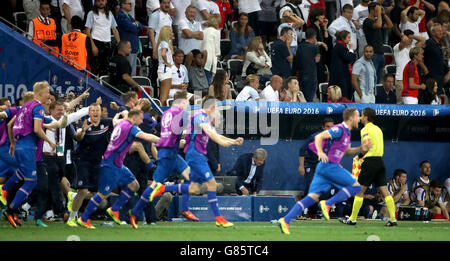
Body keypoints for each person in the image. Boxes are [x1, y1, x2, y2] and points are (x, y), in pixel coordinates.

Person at [278, 108, 371, 234]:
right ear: (351, 118)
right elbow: (320, 136)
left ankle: (285, 220)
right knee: (356, 187)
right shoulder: (339, 129)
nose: (359, 118)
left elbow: (347, 152)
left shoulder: (347, 133)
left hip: (323, 169)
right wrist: (320, 152)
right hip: (330, 166)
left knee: (312, 197)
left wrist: (361, 148)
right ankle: (327, 203)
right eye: (357, 116)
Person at [77, 109, 160, 229]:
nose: (142, 121)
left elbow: (117, 119)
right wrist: (164, 140)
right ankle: (83, 219)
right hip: (111, 164)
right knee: (102, 194)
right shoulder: (131, 127)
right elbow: (146, 136)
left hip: (118, 164)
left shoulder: (120, 123)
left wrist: (122, 112)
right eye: (141, 118)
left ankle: (114, 209)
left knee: (134, 185)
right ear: (135, 117)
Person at [130, 91, 199, 228]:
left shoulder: (167, 113)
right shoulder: (181, 114)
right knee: (156, 186)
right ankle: (136, 211)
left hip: (170, 153)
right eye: (186, 102)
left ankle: (184, 208)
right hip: (168, 155)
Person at [1, 81, 57, 228]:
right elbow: (37, 130)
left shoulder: (25, 107)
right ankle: (10, 209)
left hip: (19, 146)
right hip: (28, 148)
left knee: (22, 173)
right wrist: (49, 142)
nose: (49, 95)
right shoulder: (37, 108)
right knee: (31, 182)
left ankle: (5, 189)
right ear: (40, 94)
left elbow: (10, 124)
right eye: (47, 92)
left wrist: (13, 143)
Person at [183, 96, 244, 227]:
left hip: (197, 154)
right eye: (216, 107)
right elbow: (211, 134)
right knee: (212, 184)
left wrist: (233, 141)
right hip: (196, 155)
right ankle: (218, 218)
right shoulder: (200, 117)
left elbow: (215, 133)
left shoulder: (205, 118)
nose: (216, 111)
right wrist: (223, 143)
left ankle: (163, 188)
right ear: (211, 107)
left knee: (194, 189)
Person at [340, 107, 398, 226]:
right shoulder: (378, 129)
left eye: (361, 115)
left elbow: (367, 146)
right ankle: (393, 219)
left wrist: (359, 156)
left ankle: (352, 219)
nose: (360, 117)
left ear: (366, 117)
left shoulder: (365, 129)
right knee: (385, 193)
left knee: (359, 192)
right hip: (380, 163)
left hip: (370, 163)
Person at [65, 102, 114, 227]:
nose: (95, 112)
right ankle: (72, 218)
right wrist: (83, 131)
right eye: (92, 111)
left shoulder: (107, 123)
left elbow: (121, 120)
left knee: (98, 193)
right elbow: (78, 138)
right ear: (89, 113)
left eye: (97, 110)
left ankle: (75, 198)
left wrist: (122, 111)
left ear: (101, 112)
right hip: (82, 161)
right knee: (83, 191)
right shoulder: (84, 124)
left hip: (97, 162)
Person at [298, 118, 334, 217]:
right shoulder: (315, 137)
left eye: (331, 127)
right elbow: (302, 150)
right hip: (311, 165)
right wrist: (301, 166)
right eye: (327, 126)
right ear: (323, 127)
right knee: (310, 185)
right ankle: (304, 209)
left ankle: (319, 211)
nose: (329, 129)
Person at [363, 2, 393, 84]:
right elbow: (378, 25)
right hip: (373, 54)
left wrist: (384, 14)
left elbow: (390, 25)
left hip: (381, 54)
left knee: (379, 80)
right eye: (377, 10)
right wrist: (379, 13)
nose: (378, 11)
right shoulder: (367, 21)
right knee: (372, 79)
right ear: (372, 10)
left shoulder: (377, 20)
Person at [393, 29, 426, 104]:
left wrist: (412, 36)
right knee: (400, 104)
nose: (411, 40)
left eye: (412, 39)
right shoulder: (398, 47)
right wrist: (402, 35)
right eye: (409, 38)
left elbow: (423, 40)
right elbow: (404, 41)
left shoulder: (412, 48)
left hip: (411, 80)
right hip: (401, 79)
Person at [292, 28, 321, 102]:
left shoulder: (300, 46)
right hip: (311, 76)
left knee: (301, 97)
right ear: (314, 37)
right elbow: (317, 60)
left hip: (301, 75)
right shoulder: (315, 47)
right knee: (309, 99)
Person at [116, 0, 143, 76]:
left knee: (133, 71)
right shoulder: (121, 15)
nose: (131, 5)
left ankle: (132, 86)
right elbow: (131, 27)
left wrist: (136, 25)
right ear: (122, 4)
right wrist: (135, 25)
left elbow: (140, 26)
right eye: (129, 4)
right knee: (129, 71)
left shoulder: (129, 16)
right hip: (127, 46)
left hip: (133, 46)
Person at [329, 30, 357, 101]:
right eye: (348, 37)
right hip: (340, 77)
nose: (350, 39)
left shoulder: (340, 46)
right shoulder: (340, 46)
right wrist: (351, 49)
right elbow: (349, 59)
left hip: (341, 75)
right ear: (343, 38)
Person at [423, 23, 447, 95]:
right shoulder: (429, 43)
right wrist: (424, 68)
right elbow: (419, 55)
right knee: (431, 97)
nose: (441, 32)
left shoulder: (439, 44)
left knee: (437, 98)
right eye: (438, 31)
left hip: (440, 76)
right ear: (433, 32)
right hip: (432, 76)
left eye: (441, 31)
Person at [308, 7, 330, 84]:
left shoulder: (320, 27)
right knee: (318, 76)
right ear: (317, 16)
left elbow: (326, 40)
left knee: (322, 75)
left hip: (322, 54)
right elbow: (310, 41)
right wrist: (321, 43)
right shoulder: (311, 27)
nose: (323, 17)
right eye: (322, 15)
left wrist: (325, 27)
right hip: (315, 55)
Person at [199, 16, 221, 85]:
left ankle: (198, 95)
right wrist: (218, 54)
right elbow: (217, 48)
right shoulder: (216, 32)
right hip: (210, 60)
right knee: (208, 81)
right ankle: (207, 95)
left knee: (200, 81)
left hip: (200, 59)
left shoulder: (203, 31)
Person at [156, 26, 175, 106]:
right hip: (165, 69)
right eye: (171, 32)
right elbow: (163, 53)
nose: (172, 33)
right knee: (164, 96)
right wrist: (167, 62)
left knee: (163, 96)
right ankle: (162, 114)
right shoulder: (165, 43)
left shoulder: (162, 43)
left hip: (163, 69)